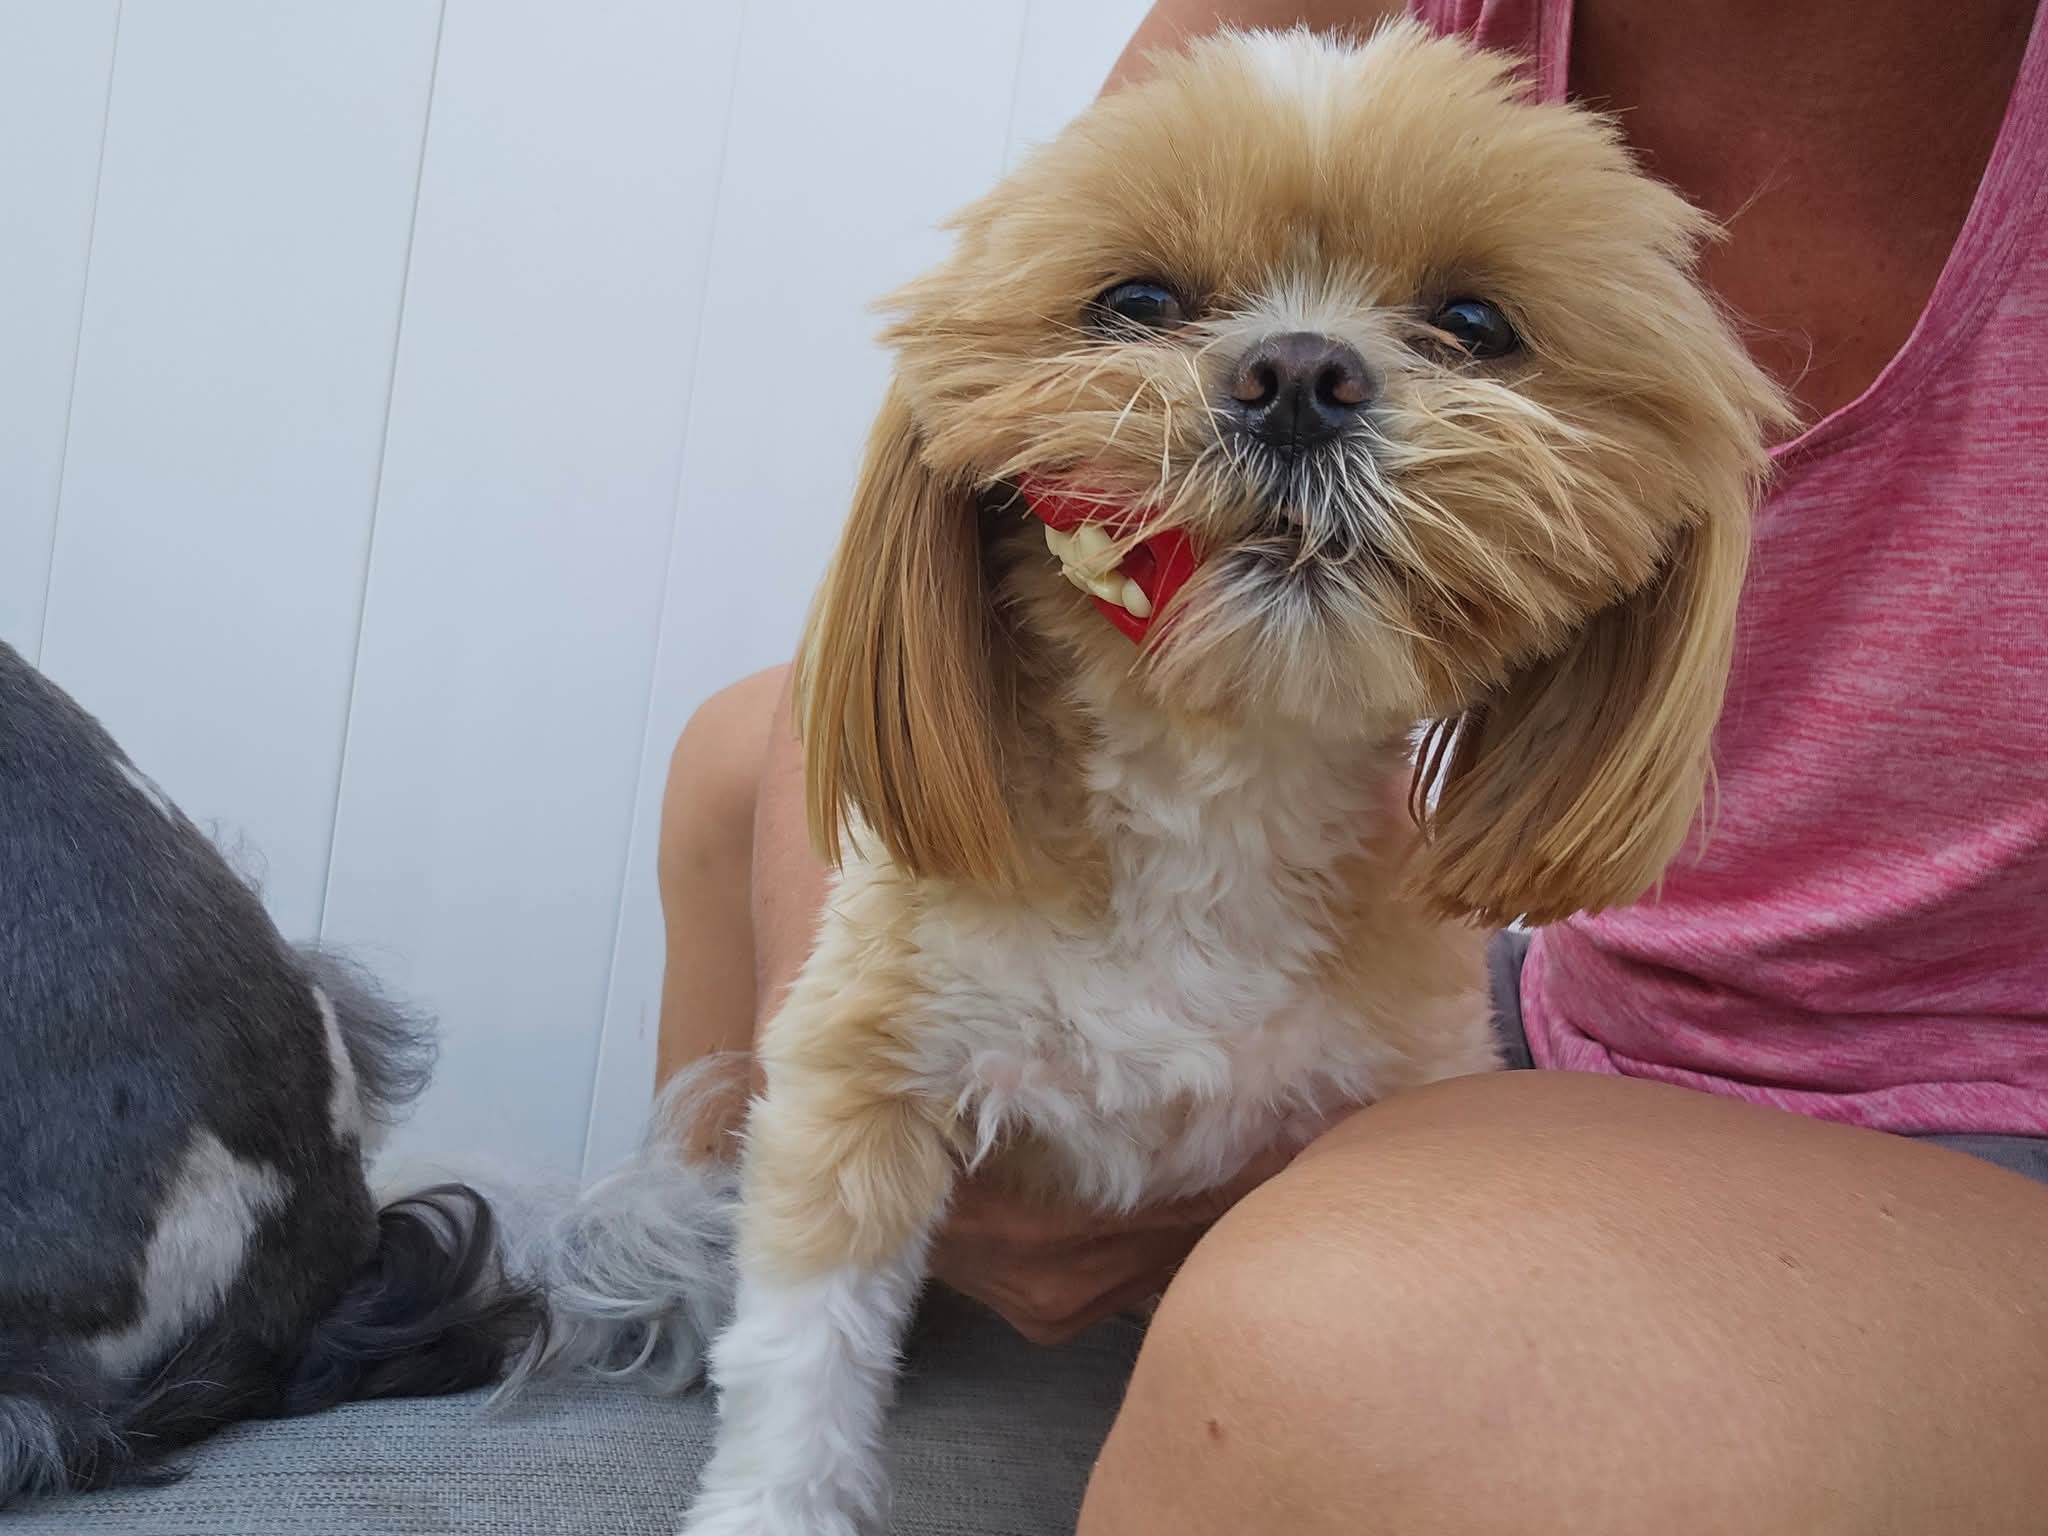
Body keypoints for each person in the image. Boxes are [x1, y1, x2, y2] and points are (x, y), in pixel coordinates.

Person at [657, 0, 2048, 1529]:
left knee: (1335, 1335)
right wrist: (866, 1072)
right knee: (737, 754)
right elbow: (969, 390)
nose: (1298, 378)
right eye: (1150, 306)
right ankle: (687, 1306)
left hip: (1964, 1106)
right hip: (1572, 994)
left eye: (1467, 332)